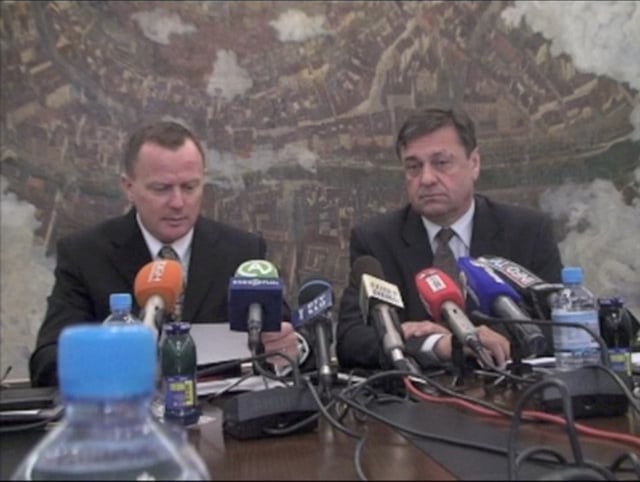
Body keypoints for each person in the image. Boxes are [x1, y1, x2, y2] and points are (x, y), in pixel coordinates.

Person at [30, 120, 299, 387]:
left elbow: (295, 344)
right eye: (161, 189)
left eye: (189, 187)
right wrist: (110, 357)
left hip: (223, 410)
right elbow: (46, 362)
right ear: (128, 187)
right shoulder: (85, 254)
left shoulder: (242, 252)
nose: (178, 203)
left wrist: (290, 349)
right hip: (125, 409)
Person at [337, 107, 563, 371]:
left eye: (441, 163)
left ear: (474, 163)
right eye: (413, 167)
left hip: (513, 389)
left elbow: (561, 329)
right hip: (418, 394)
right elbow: (351, 340)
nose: (427, 179)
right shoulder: (376, 240)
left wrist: (484, 341)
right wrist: (437, 344)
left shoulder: (526, 231)